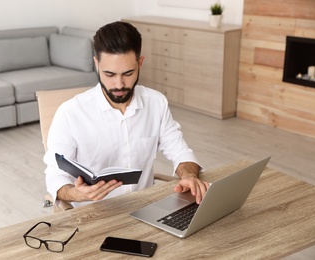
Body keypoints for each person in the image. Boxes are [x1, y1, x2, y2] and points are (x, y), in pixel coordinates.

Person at [43, 21, 209, 208]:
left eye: (128, 73)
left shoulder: (156, 103)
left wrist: (189, 176)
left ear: (140, 63)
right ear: (96, 64)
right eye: (110, 74)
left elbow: (180, 152)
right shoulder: (70, 113)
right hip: (94, 215)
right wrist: (77, 194)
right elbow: (55, 175)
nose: (119, 84)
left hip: (144, 208)